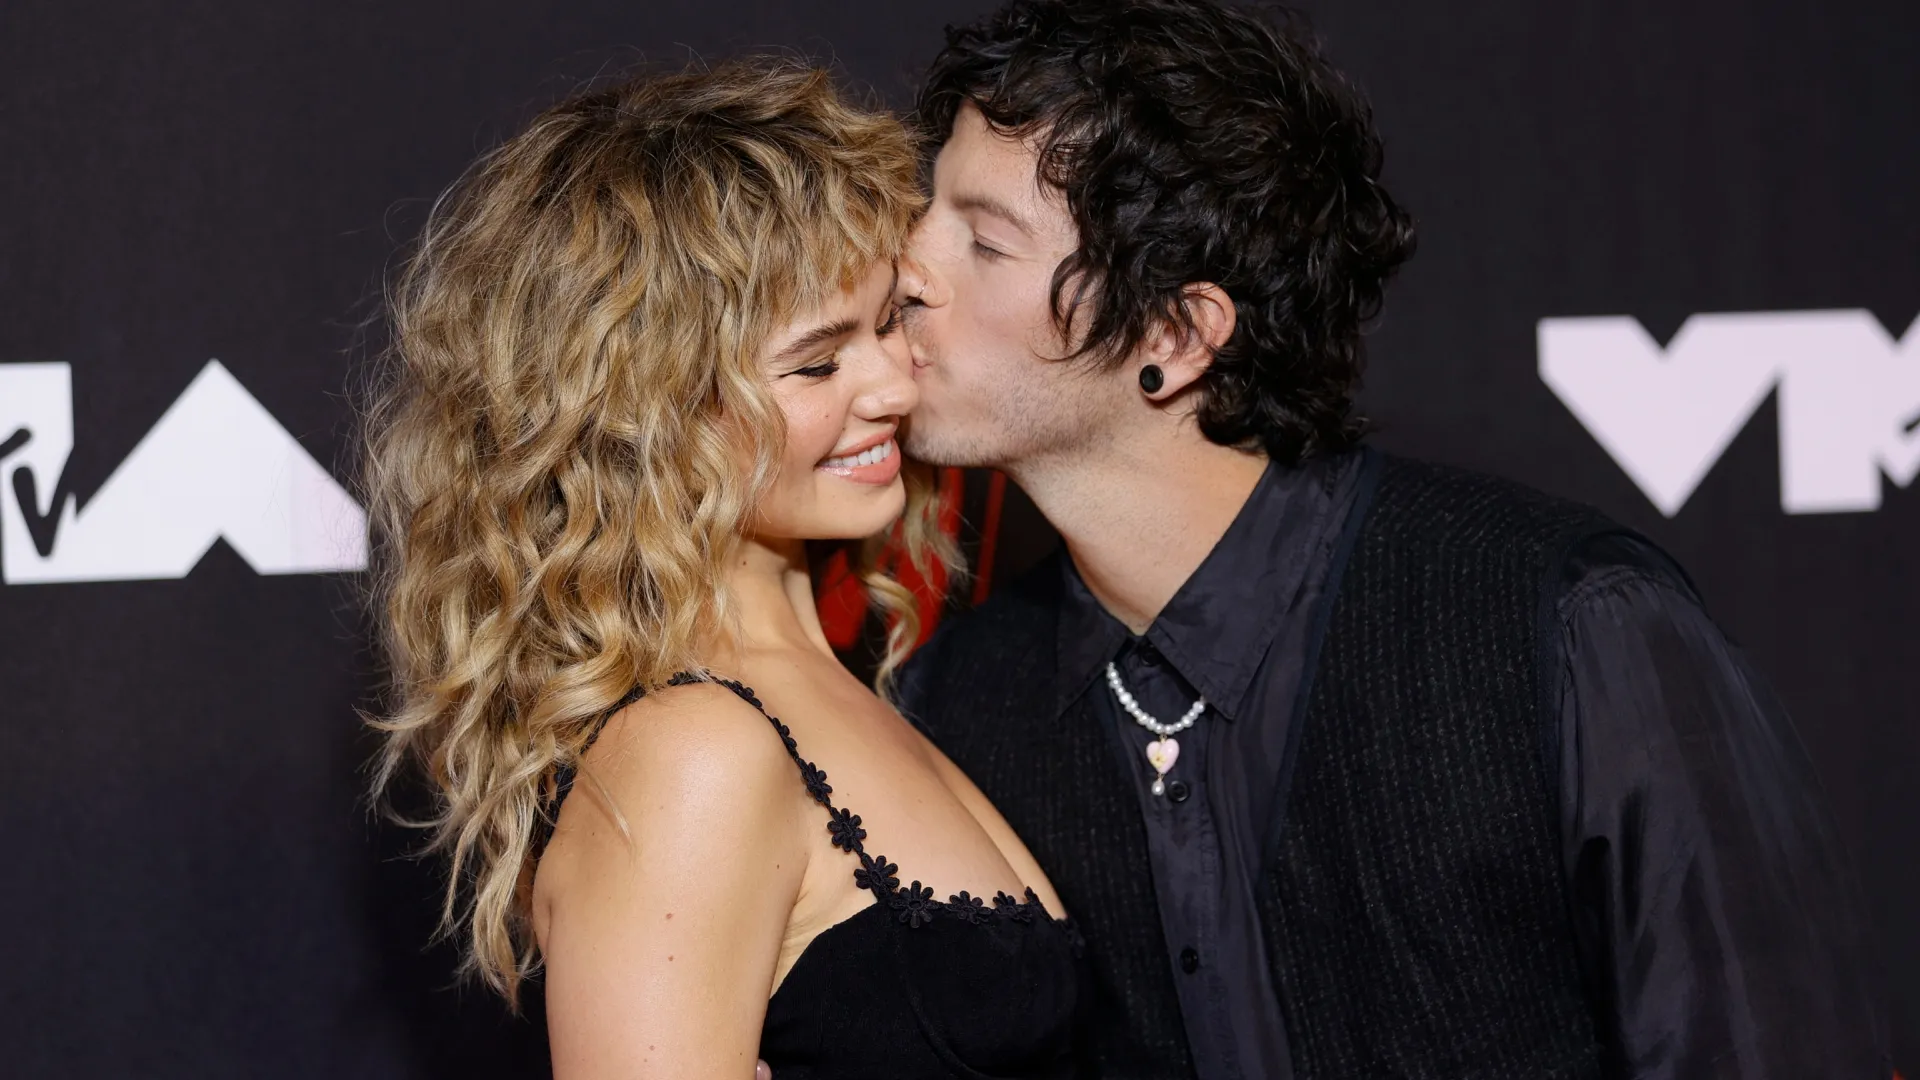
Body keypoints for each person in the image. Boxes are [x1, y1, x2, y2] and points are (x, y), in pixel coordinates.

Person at [891, 1, 1893, 1077]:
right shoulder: (958, 707)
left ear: (1175, 335)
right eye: (926, 209)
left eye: (984, 241)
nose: (906, 268)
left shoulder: (1566, 633)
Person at [361, 60, 1084, 1079]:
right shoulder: (690, 754)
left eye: (888, 321)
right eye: (818, 362)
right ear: (649, 416)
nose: (892, 383)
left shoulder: (839, 681)